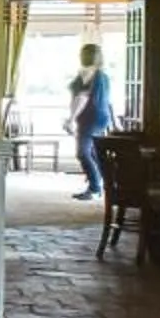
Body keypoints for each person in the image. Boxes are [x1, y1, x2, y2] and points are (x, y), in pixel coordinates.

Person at [67, 43, 115, 200]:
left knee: (83, 153)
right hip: (100, 117)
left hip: (90, 118)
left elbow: (82, 98)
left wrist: (71, 119)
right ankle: (101, 185)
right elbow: (107, 101)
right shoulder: (103, 75)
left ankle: (95, 187)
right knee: (93, 153)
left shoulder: (88, 73)